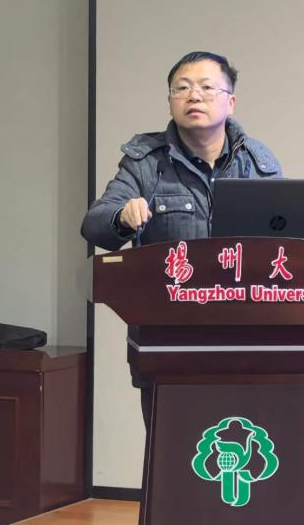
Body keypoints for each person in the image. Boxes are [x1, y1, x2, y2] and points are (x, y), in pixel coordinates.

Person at [81, 51, 283, 427]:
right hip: (168, 340)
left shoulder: (258, 163)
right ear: (170, 100)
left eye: (207, 87)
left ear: (231, 101)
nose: (194, 96)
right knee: (173, 450)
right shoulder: (146, 163)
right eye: (183, 88)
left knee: (243, 447)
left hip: (245, 339)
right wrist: (121, 217)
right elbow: (93, 225)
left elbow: (288, 240)